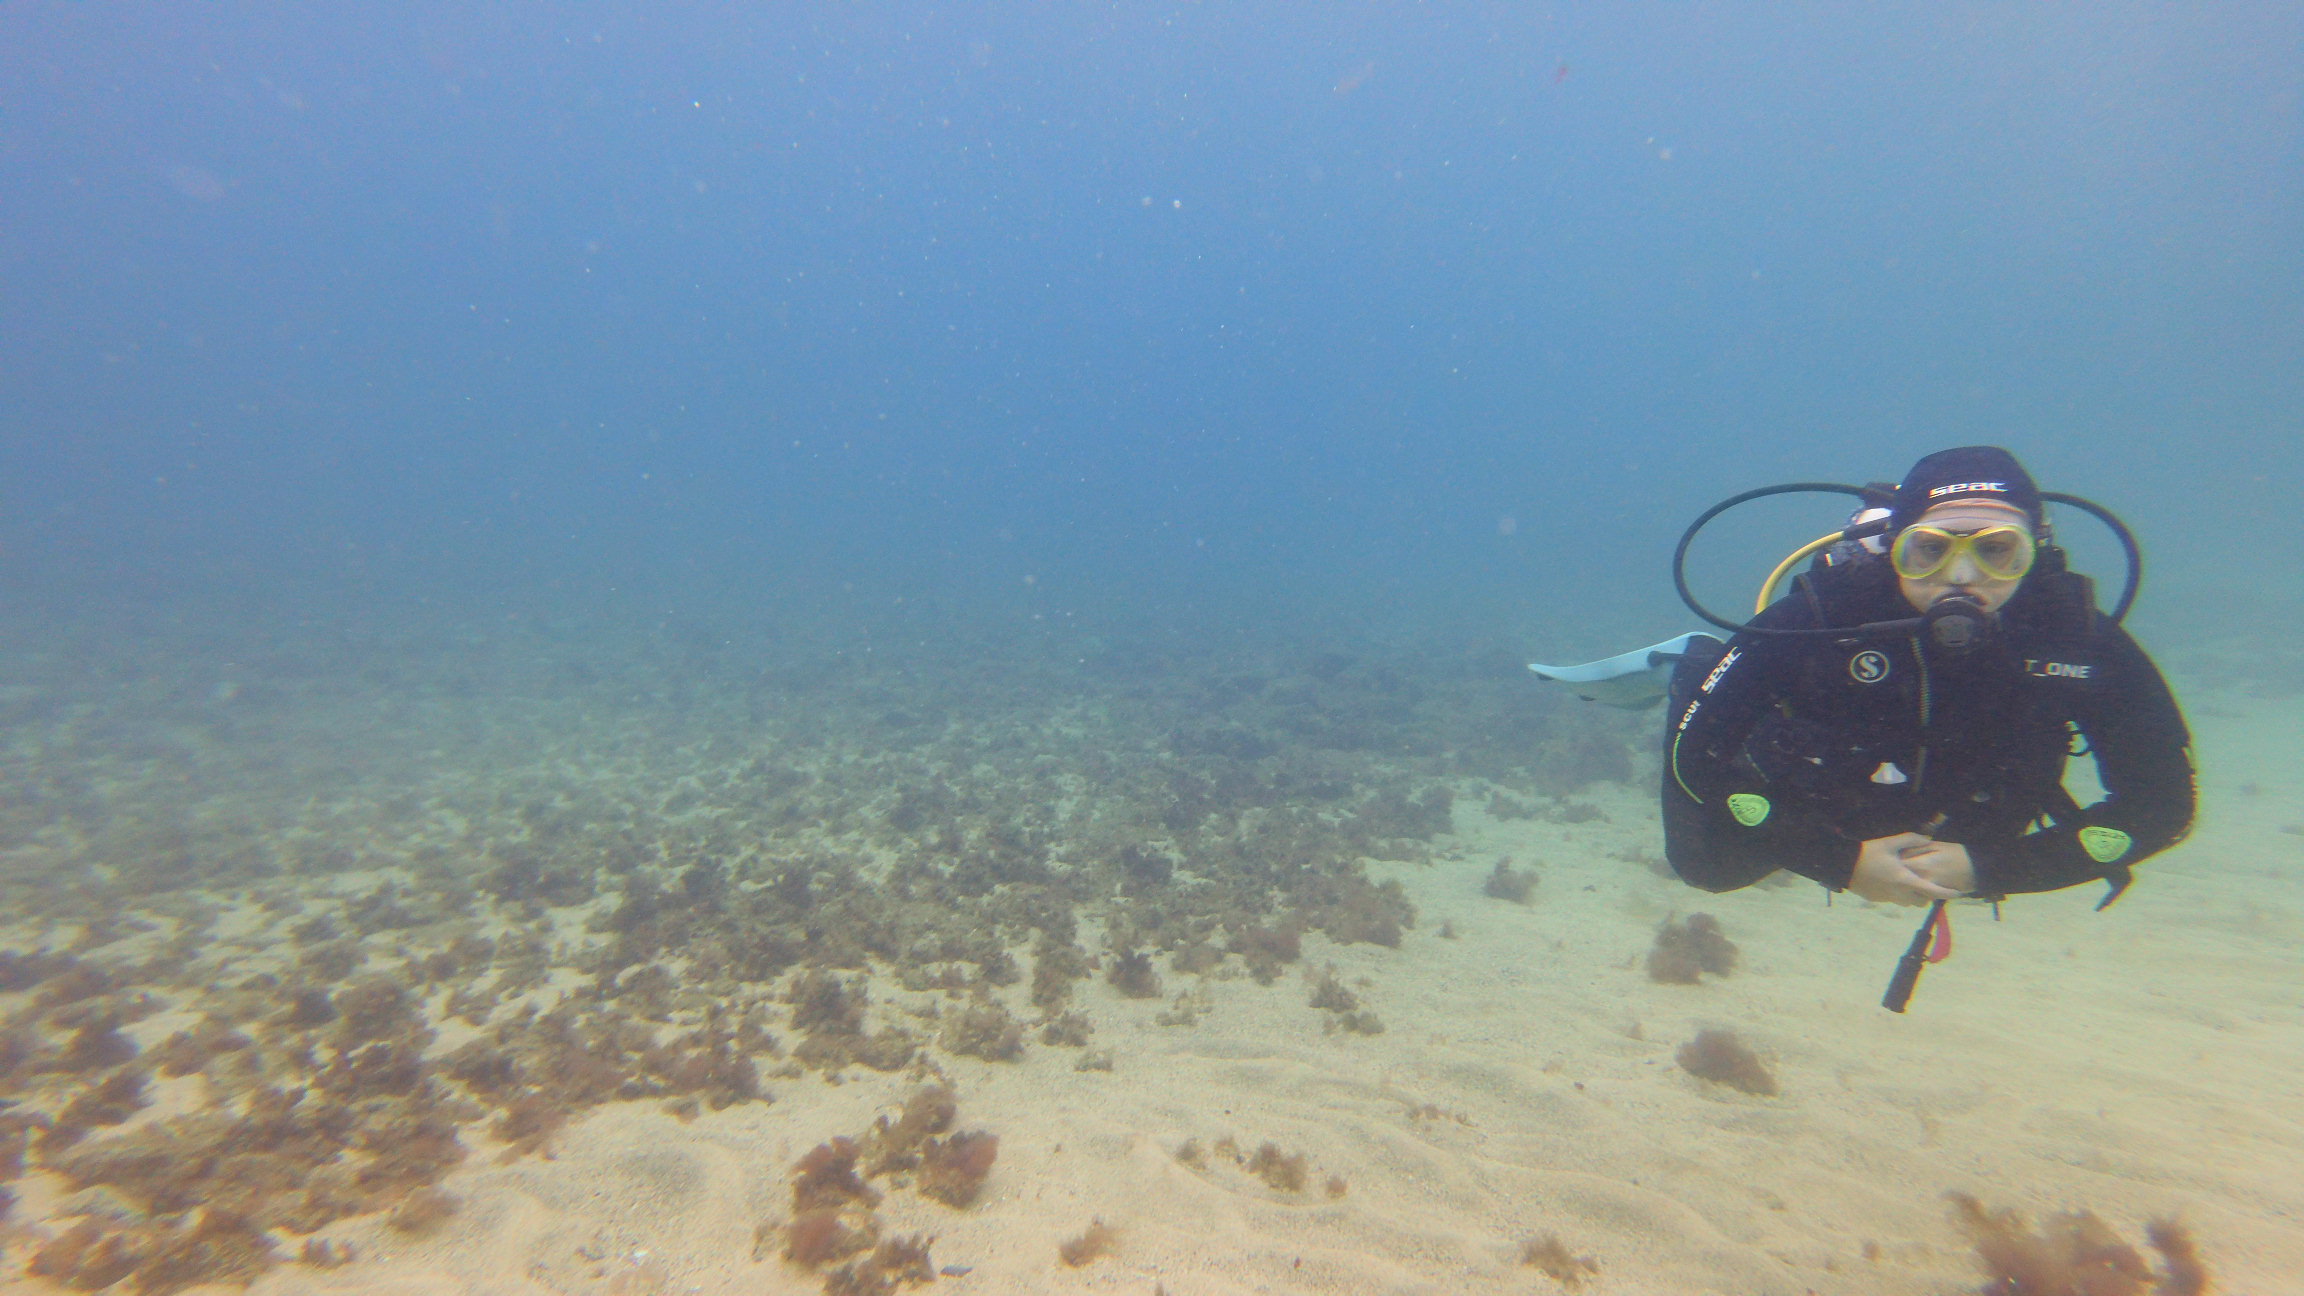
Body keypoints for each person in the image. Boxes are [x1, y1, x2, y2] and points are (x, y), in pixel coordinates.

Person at [1660, 446, 2195, 908]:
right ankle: (1701, 666)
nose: (1961, 576)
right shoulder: (1821, 617)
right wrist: (1839, 861)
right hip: (1823, 809)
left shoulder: (2076, 639)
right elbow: (1695, 758)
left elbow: (2164, 804)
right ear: (1897, 547)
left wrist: (1989, 869)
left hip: (1972, 829)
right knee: (1709, 868)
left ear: (2035, 552)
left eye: (1996, 549)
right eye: (1932, 549)